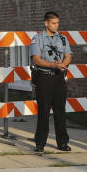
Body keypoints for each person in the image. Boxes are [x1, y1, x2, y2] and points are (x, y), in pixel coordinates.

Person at [29, 11, 72, 152]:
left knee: (60, 111)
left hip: (59, 77)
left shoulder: (63, 38)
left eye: (58, 23)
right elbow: (36, 59)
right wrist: (53, 65)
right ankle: (40, 144)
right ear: (46, 23)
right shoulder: (38, 38)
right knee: (44, 111)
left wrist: (64, 64)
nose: (56, 25)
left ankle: (62, 143)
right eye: (53, 23)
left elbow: (68, 56)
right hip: (44, 77)